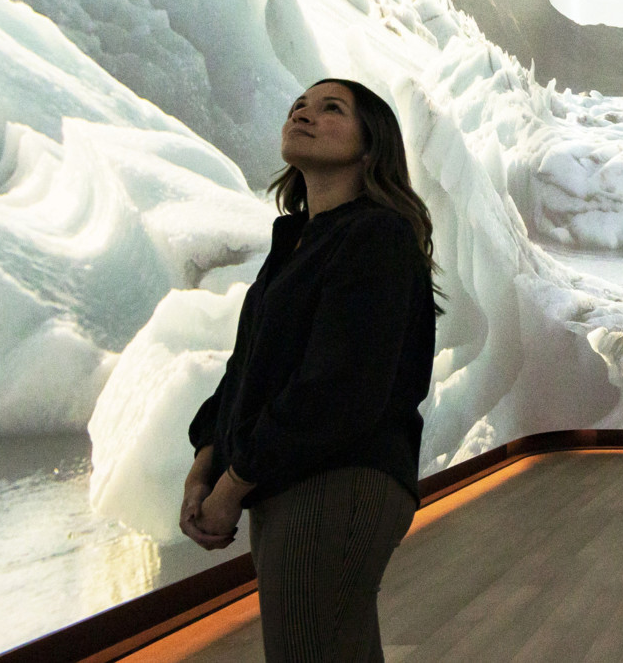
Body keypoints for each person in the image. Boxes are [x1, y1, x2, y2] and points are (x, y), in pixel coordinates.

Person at [180, 78, 439, 663]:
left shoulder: (376, 234)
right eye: (300, 103)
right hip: (296, 481)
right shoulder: (297, 242)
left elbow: (338, 390)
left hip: (337, 481)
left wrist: (230, 485)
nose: (305, 111)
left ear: (371, 147)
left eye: (332, 108)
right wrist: (207, 461)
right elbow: (249, 369)